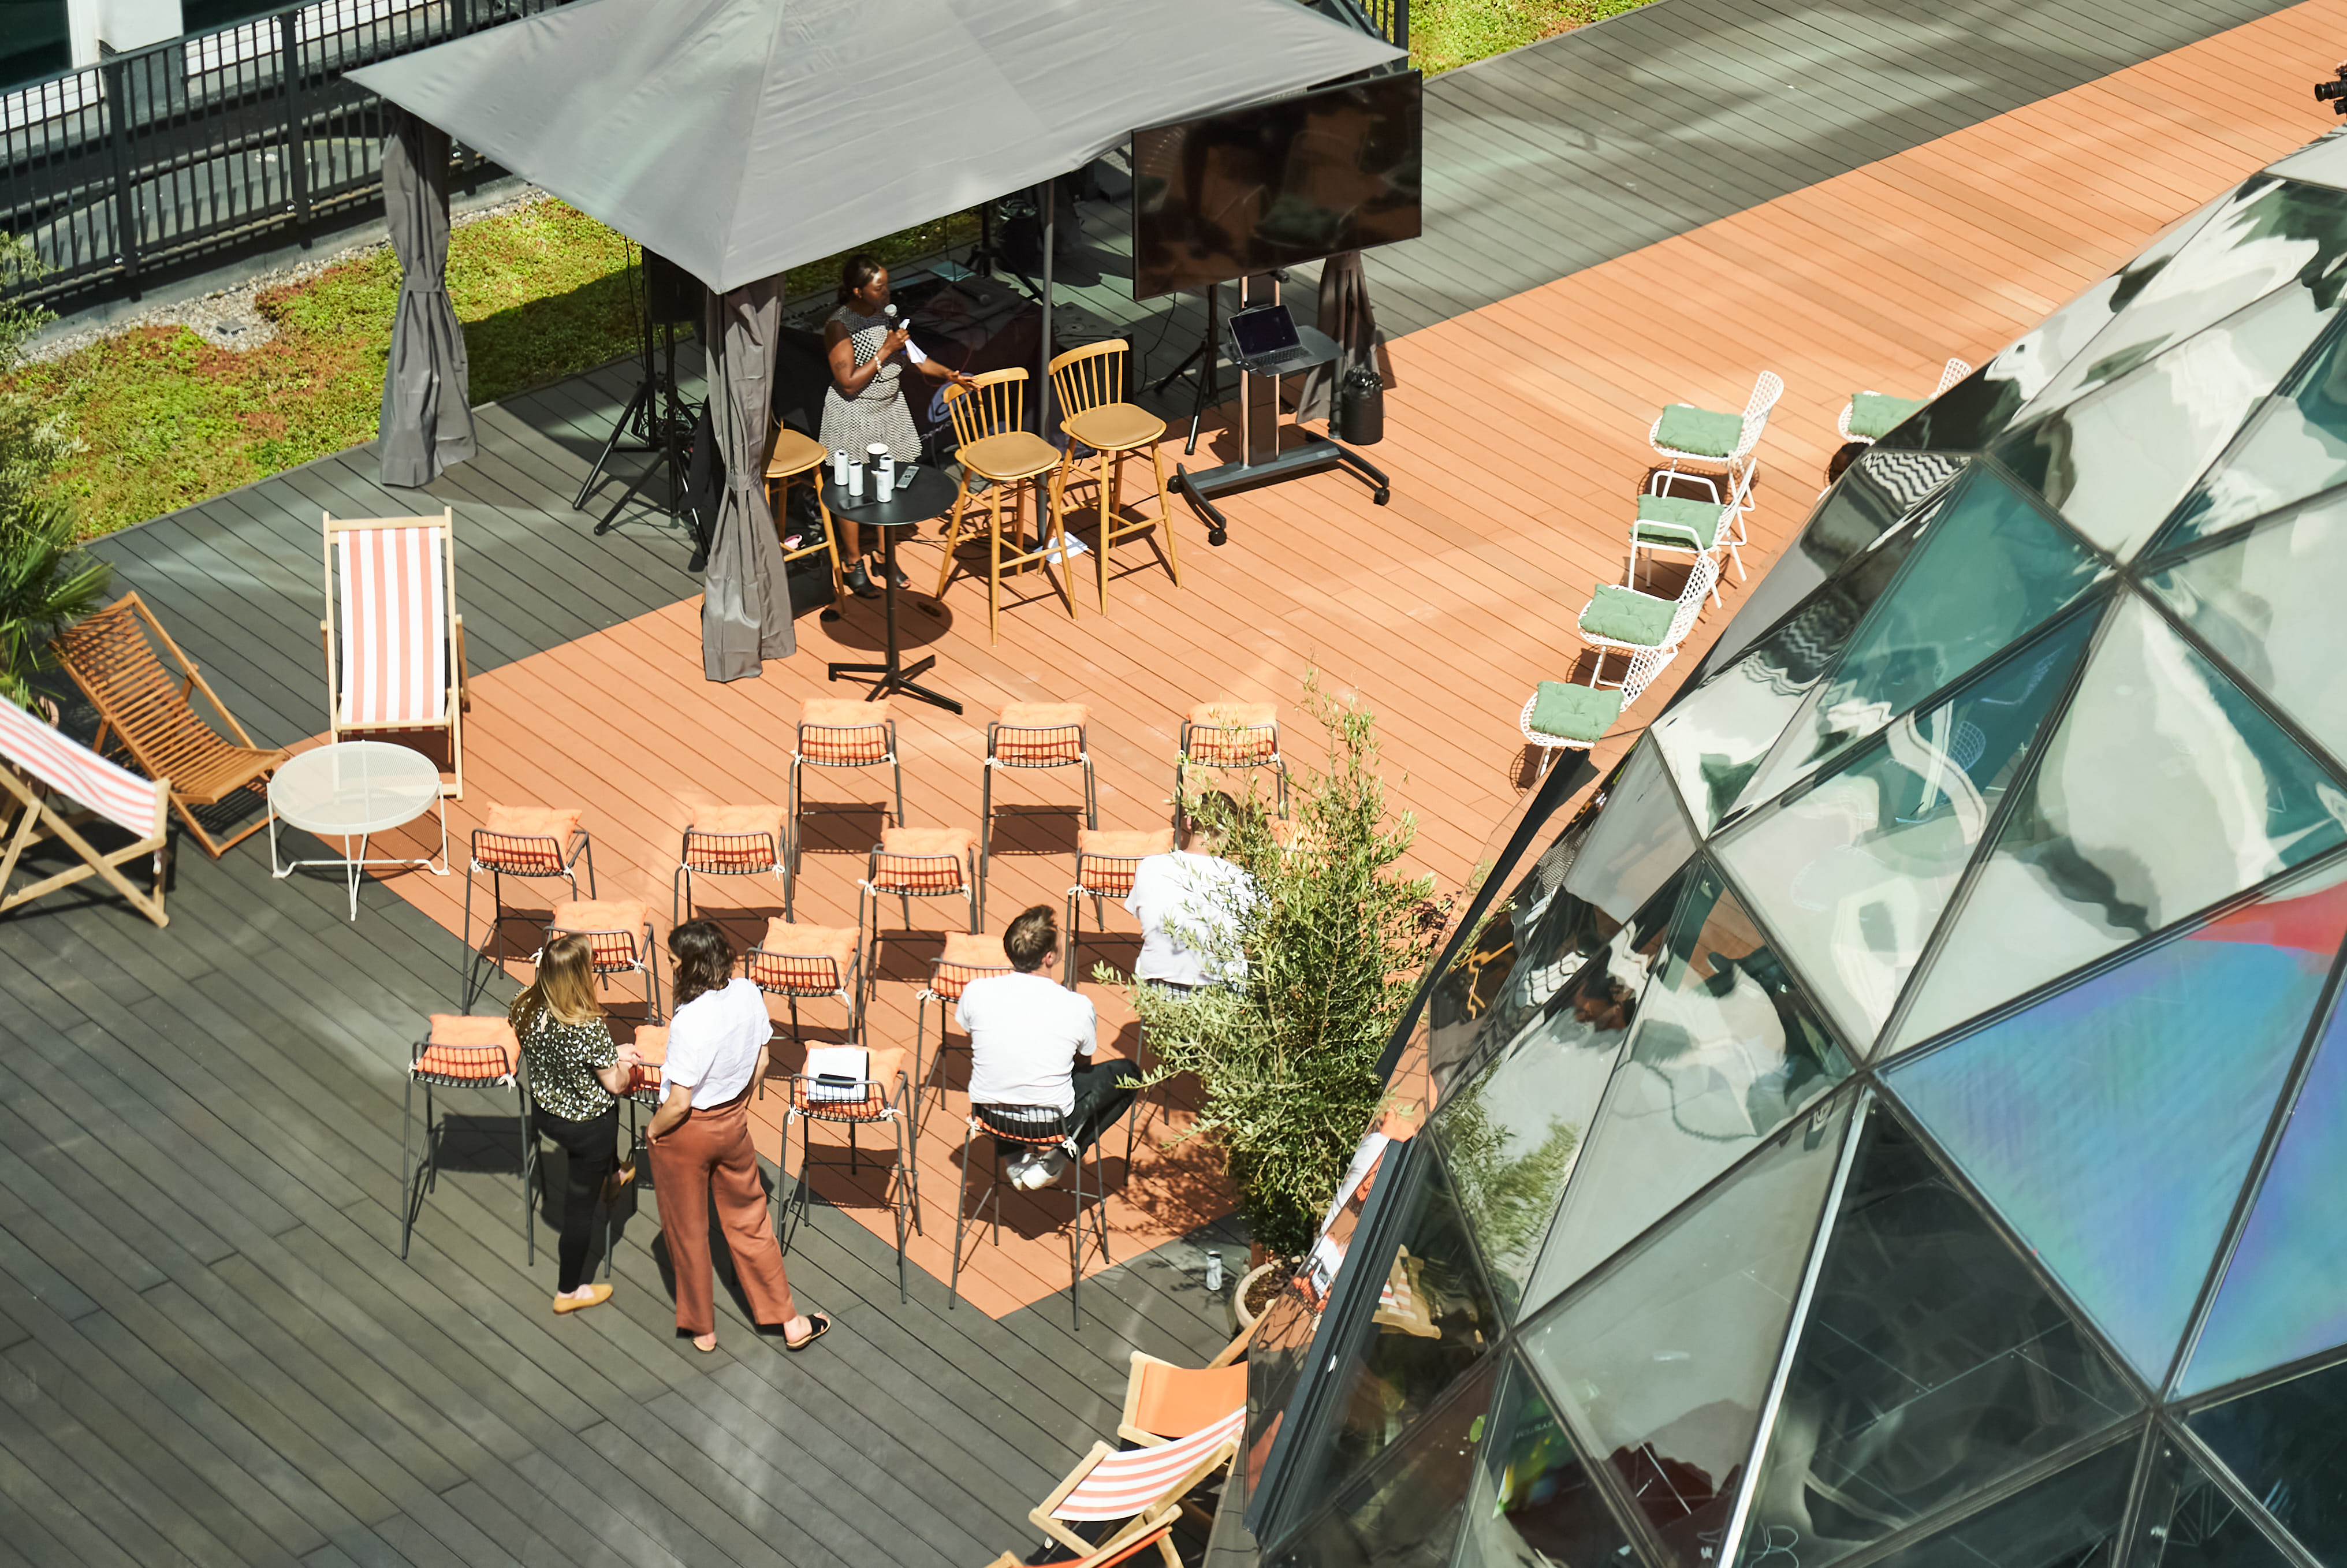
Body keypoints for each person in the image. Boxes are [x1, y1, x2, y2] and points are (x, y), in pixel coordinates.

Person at [643, 919, 826, 1354]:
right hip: (732, 1121)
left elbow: (680, 1101)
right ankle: (790, 1322)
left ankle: (702, 1328)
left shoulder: (688, 1020)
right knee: (751, 1221)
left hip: (685, 1132)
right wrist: (738, 1103)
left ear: (689, 965)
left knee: (687, 1229)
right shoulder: (748, 992)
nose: (669, 967)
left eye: (673, 960)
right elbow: (762, 1061)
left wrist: (653, 1130)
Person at [956, 905, 1142, 1191]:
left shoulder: (975, 991)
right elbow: (1083, 1063)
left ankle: (1014, 1159)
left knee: (1011, 1066)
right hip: (1051, 1122)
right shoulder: (1076, 1005)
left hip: (988, 1112)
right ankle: (1056, 1159)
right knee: (1128, 1074)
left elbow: (973, 1034)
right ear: (1049, 956)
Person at [822, 254, 975, 599]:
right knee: (853, 491)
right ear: (858, 290)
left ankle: (882, 556)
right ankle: (851, 563)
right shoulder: (839, 326)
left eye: (888, 285)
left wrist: (950, 375)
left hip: (889, 409)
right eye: (880, 288)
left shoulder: (883, 316)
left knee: (887, 485)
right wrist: (884, 351)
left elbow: (913, 359)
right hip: (855, 413)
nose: (888, 293)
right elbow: (847, 383)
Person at [511, 933, 639, 1315]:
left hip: (548, 1112)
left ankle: (614, 1174)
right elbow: (615, 1084)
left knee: (597, 1163)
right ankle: (570, 1290)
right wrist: (625, 1065)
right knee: (580, 1210)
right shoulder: (587, 1027)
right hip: (588, 1127)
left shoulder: (524, 1005)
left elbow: (566, 1055)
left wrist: (609, 1055)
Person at [1126, 790, 1257, 994]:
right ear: (1230, 829)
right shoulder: (1242, 880)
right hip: (1220, 993)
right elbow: (1253, 943)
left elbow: (1142, 916)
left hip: (1158, 989)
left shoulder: (1149, 866)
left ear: (1189, 822)